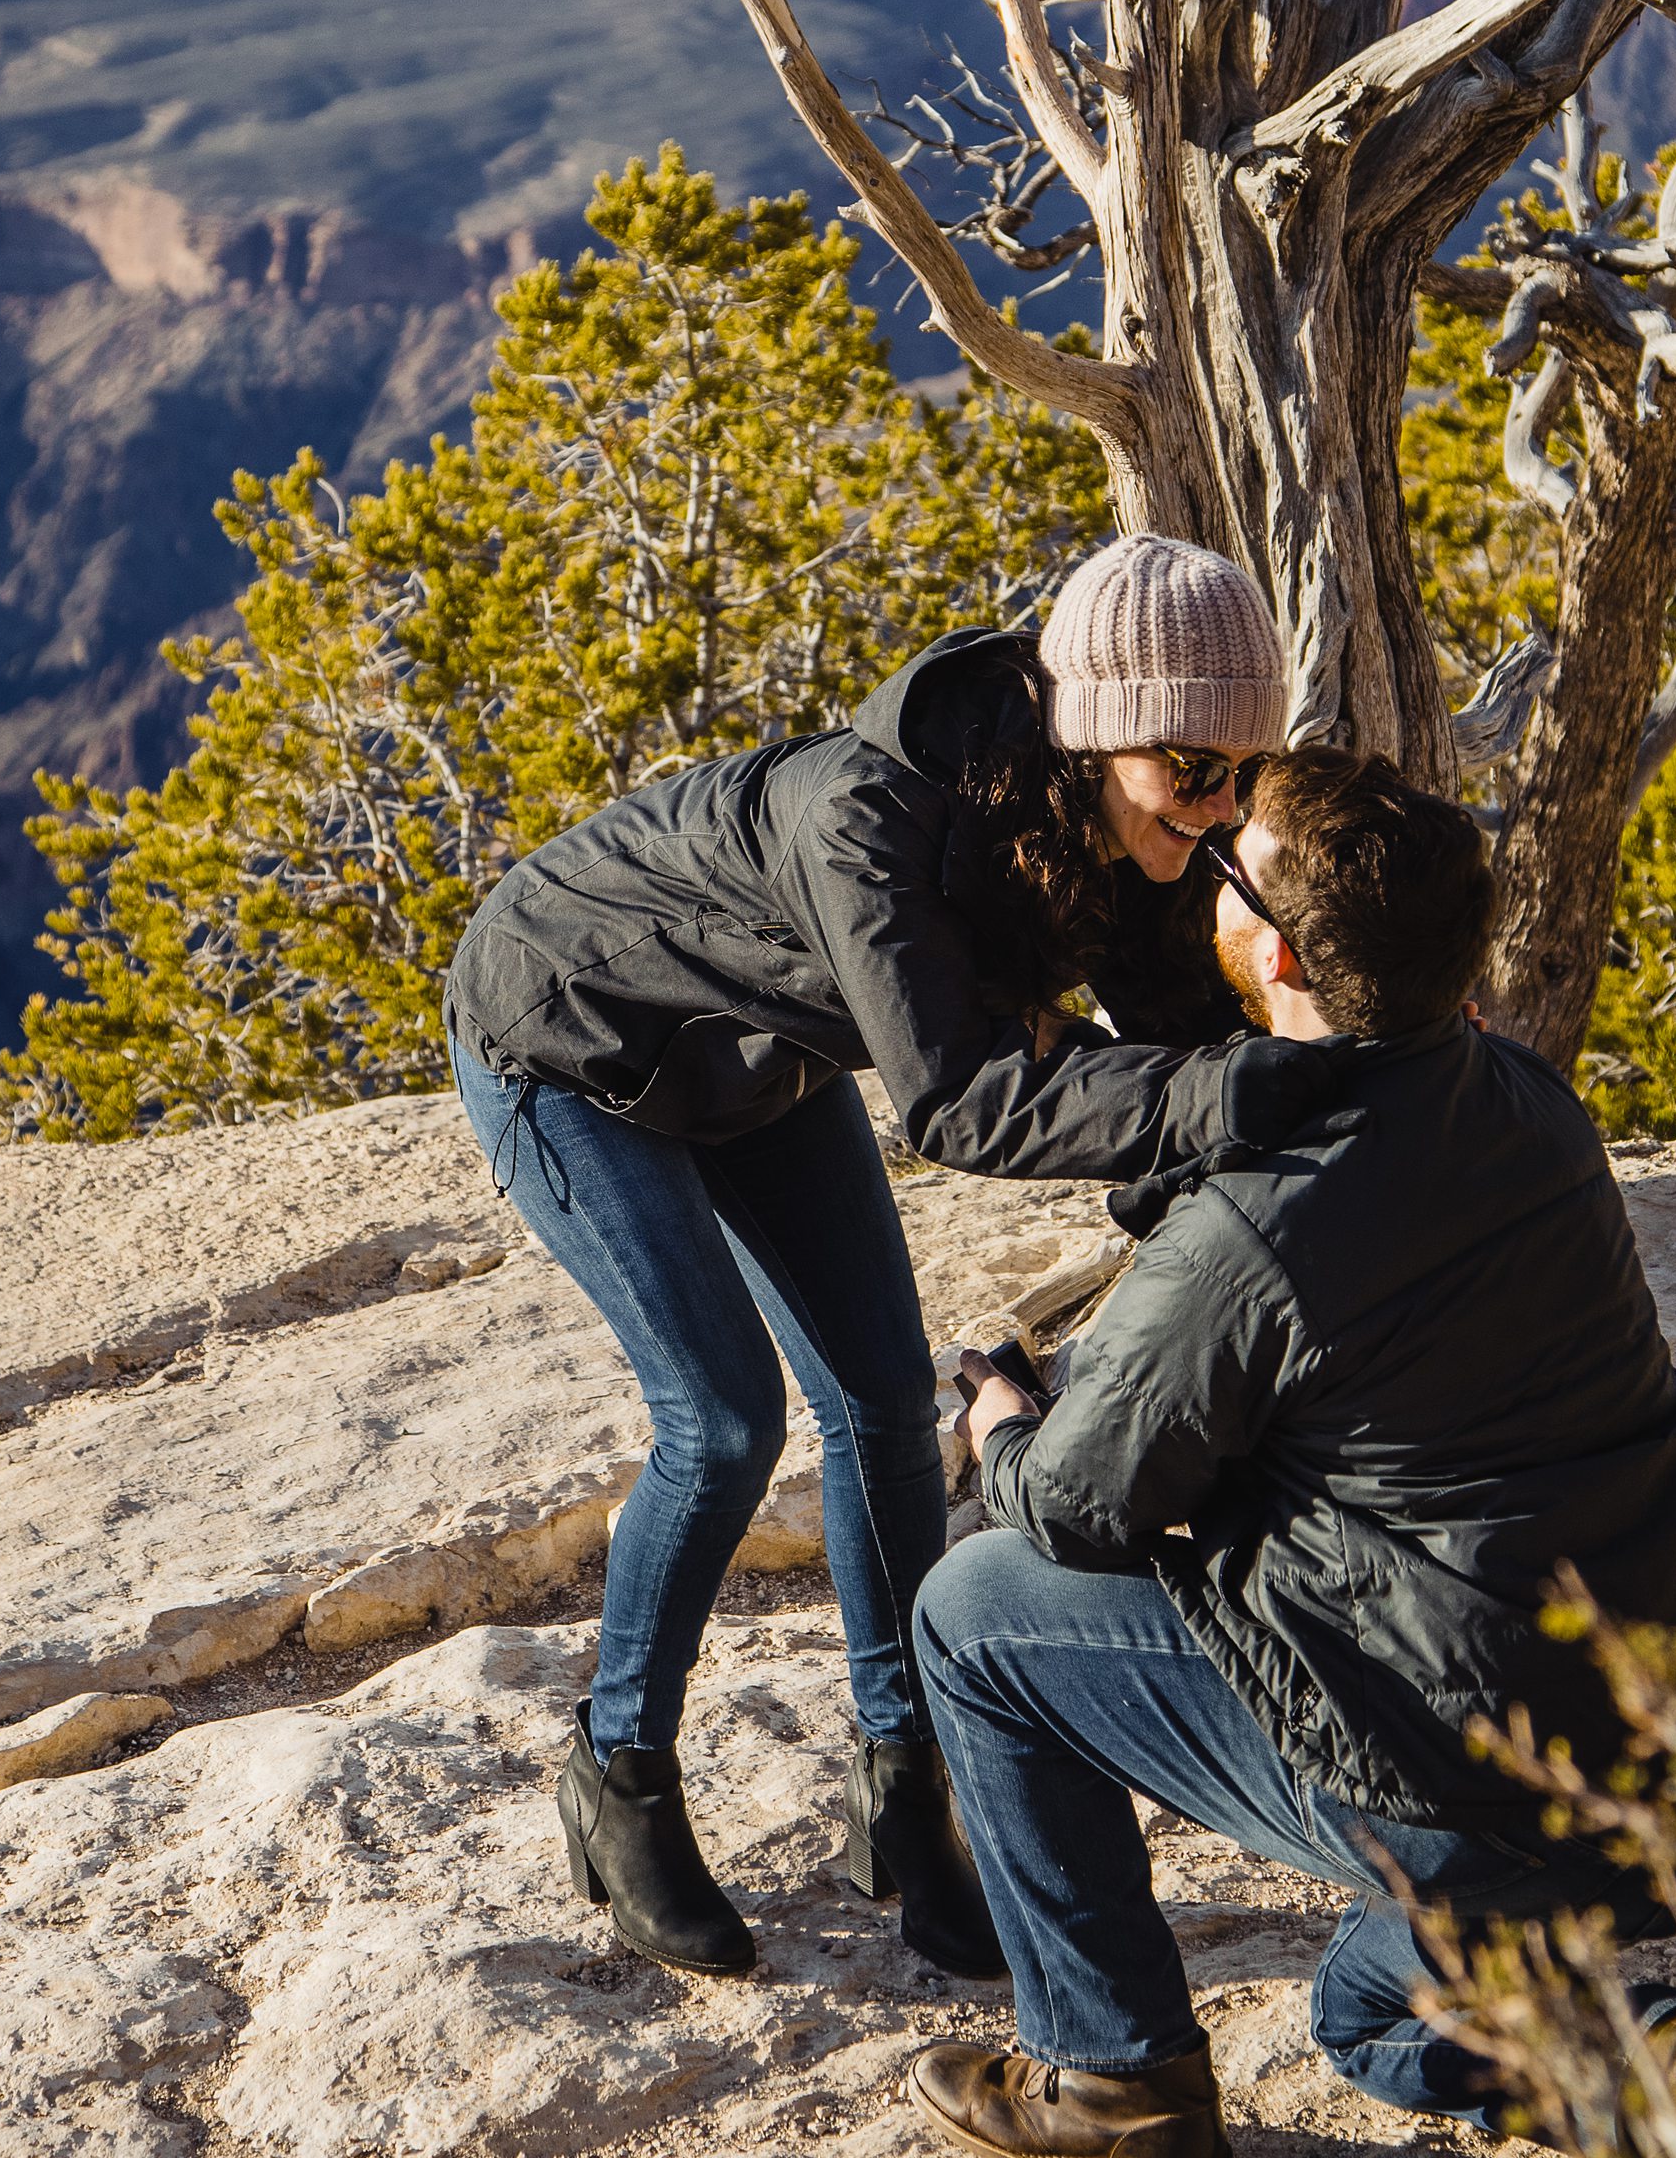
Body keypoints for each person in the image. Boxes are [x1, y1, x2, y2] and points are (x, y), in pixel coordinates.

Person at [906, 750, 1676, 2158]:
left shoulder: (1258, 1225)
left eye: (1230, 868)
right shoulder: (1529, 1106)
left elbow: (1073, 1508)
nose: (1206, 874)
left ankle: (1111, 2076)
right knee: (1387, 1998)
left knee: (978, 1608)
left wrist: (1005, 1423)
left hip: (1478, 1790)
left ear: (1281, 950)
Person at [445, 533, 1299, 1990]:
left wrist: (1316, 1138)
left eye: (1244, 773)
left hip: (758, 1059)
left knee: (887, 1413)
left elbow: (1185, 1062)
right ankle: (620, 1773)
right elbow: (962, 1100)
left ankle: (906, 1800)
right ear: (1096, 736)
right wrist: (1232, 1110)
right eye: (1191, 769)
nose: (1218, 807)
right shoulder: (869, 816)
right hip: (568, 1039)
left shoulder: (1136, 832)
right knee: (723, 1428)